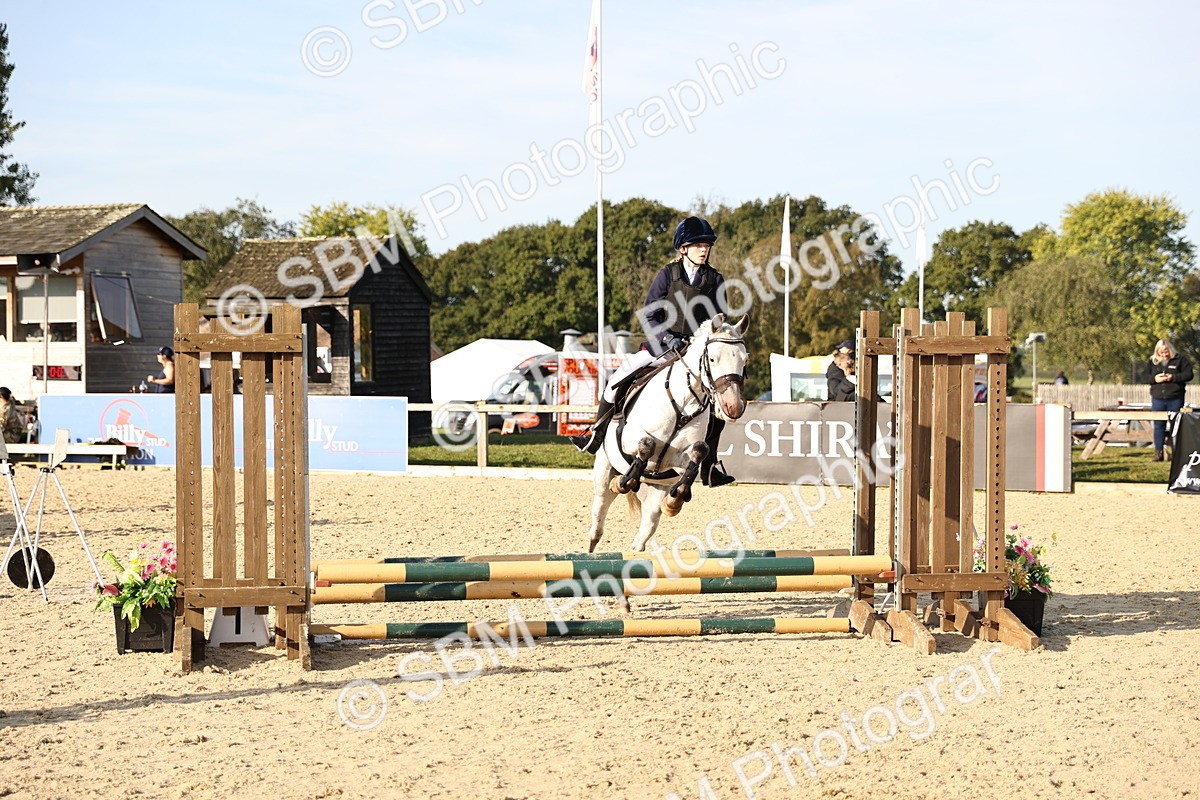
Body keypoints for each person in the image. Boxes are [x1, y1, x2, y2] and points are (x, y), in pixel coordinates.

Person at [570, 216, 735, 486]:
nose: (704, 250)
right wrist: (667, 338)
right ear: (683, 248)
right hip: (662, 346)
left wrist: (704, 343)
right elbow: (649, 314)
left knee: (717, 401)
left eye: (706, 246)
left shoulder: (715, 279)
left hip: (695, 353)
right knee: (616, 380)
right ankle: (595, 433)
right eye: (697, 246)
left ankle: (710, 465)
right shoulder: (667, 275)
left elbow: (720, 319)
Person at [1147, 338, 1193, 461]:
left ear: (1170, 350)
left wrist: (1173, 377)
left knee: (1176, 425)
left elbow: (1188, 375)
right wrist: (1155, 379)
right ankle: (1159, 452)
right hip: (1158, 398)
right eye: (1161, 352)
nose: (1164, 355)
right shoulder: (1153, 362)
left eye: (1166, 352)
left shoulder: (1180, 360)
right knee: (1158, 426)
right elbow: (1145, 376)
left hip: (1175, 398)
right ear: (1157, 352)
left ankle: (1177, 452)